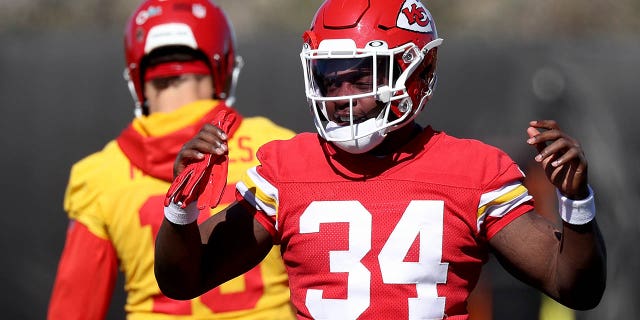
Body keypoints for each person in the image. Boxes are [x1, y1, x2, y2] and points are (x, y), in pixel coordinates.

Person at [154, 0, 607, 319]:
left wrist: (577, 205)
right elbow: (184, 278)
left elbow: (573, 286)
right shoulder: (286, 169)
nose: (344, 95)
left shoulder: (472, 171)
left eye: (363, 75)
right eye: (331, 77)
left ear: (418, 73)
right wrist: (180, 208)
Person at [48, 0, 295, 319]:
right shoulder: (275, 147)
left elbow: (74, 311)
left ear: (137, 77)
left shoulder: (99, 175)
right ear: (223, 67)